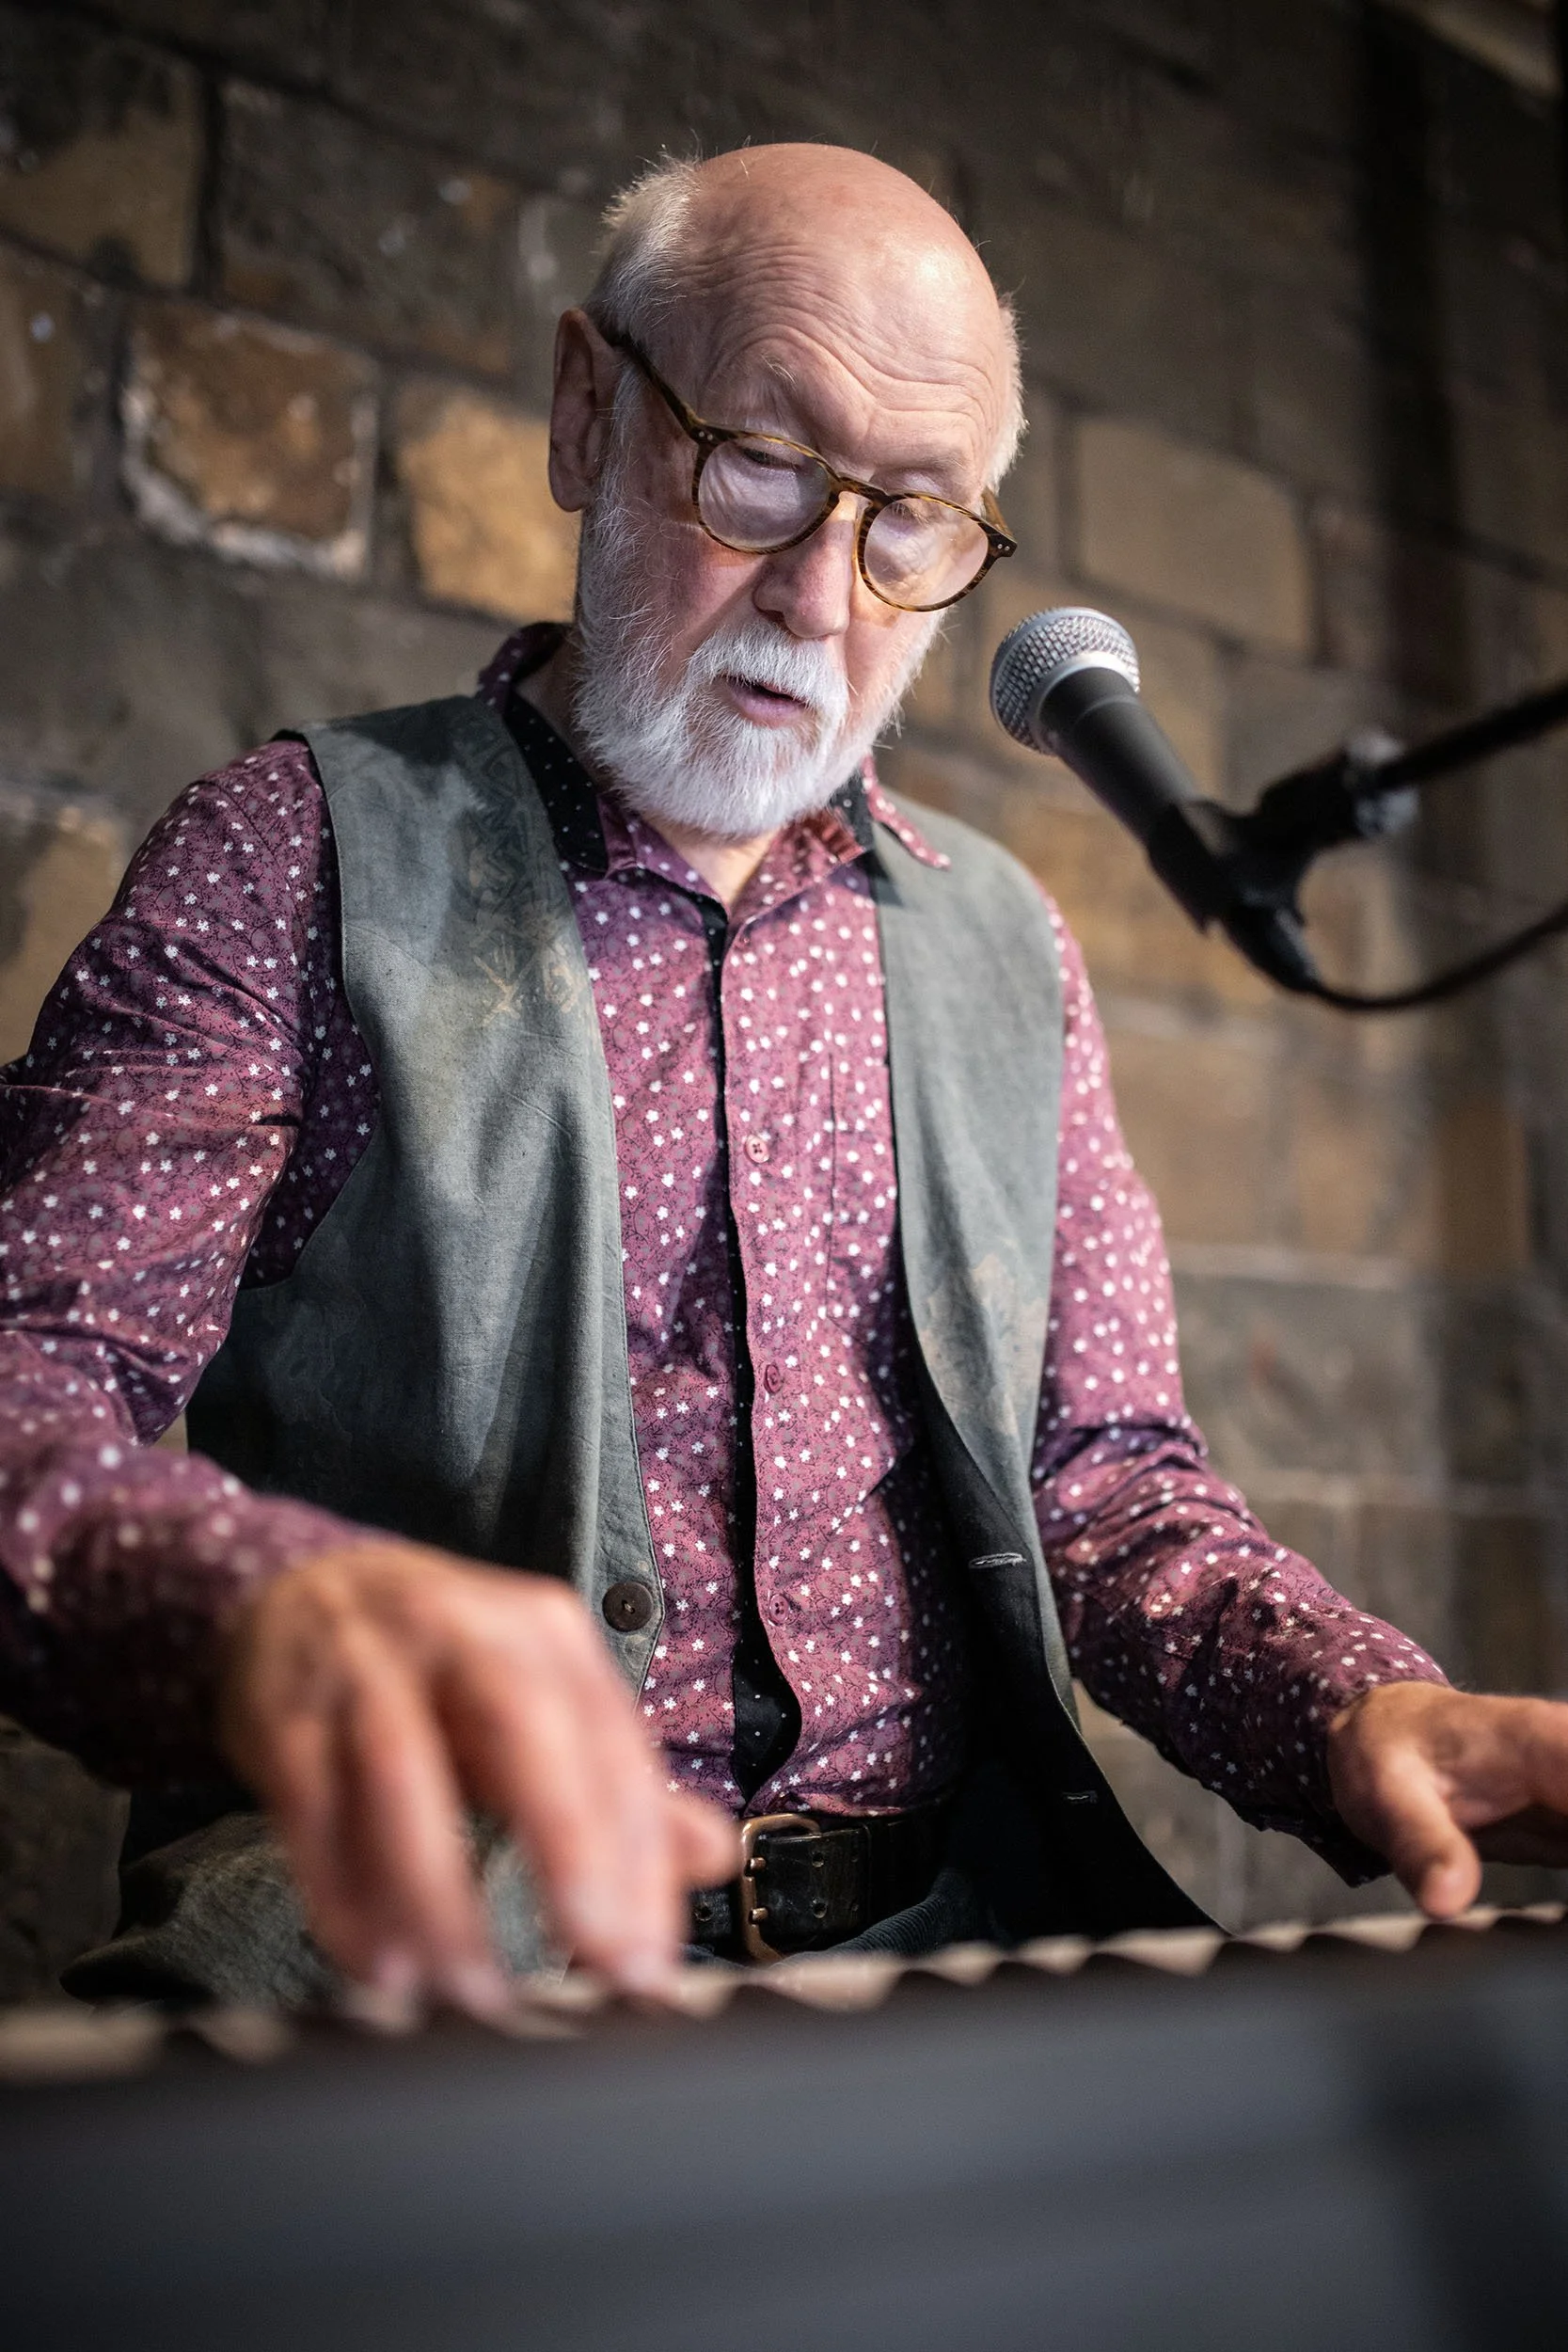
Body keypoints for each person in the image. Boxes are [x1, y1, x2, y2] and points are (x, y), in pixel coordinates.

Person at [4, 145, 1568, 2013]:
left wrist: (1356, 1706)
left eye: (911, 517)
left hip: (953, 1951)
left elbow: (1106, 1492)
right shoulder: (292, 855)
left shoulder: (1003, 945)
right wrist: (255, 1602)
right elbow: (27, 1393)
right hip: (420, 1978)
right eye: (757, 462)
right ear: (588, 409)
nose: (821, 593)